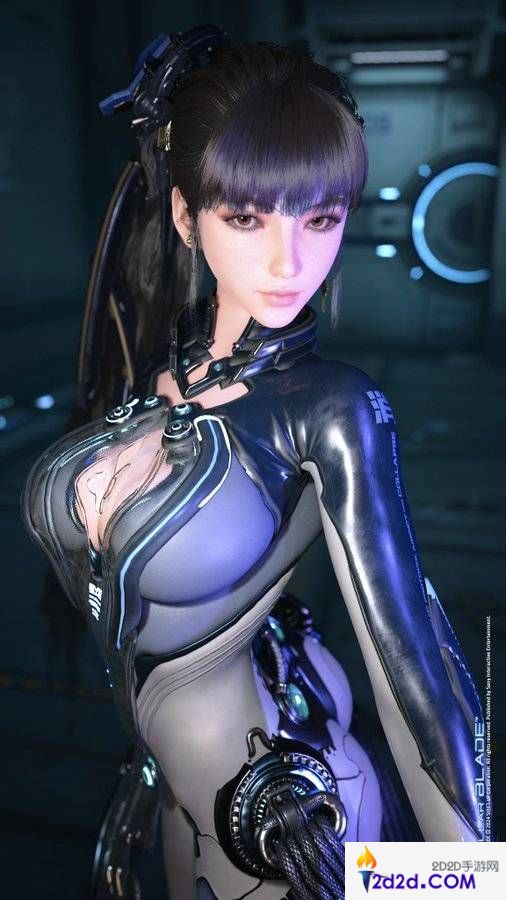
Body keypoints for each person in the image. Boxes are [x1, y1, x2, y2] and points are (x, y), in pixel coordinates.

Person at [21, 24, 489, 900]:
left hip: (282, 833)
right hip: (165, 809)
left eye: (321, 218)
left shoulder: (334, 409)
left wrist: (464, 880)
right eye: (246, 216)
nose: (289, 260)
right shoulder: (161, 367)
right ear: (185, 217)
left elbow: (415, 673)